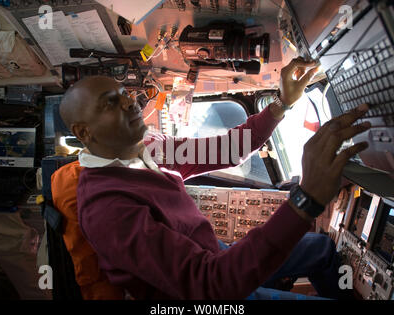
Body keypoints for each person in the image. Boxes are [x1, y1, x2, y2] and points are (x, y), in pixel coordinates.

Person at [58, 57, 371, 299]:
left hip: (213, 253)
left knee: (322, 250)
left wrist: (281, 103)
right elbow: (211, 285)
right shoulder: (105, 209)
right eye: (110, 103)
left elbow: (228, 149)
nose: (129, 103)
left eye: (124, 93)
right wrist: (305, 201)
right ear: (84, 132)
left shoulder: (150, 149)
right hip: (206, 293)